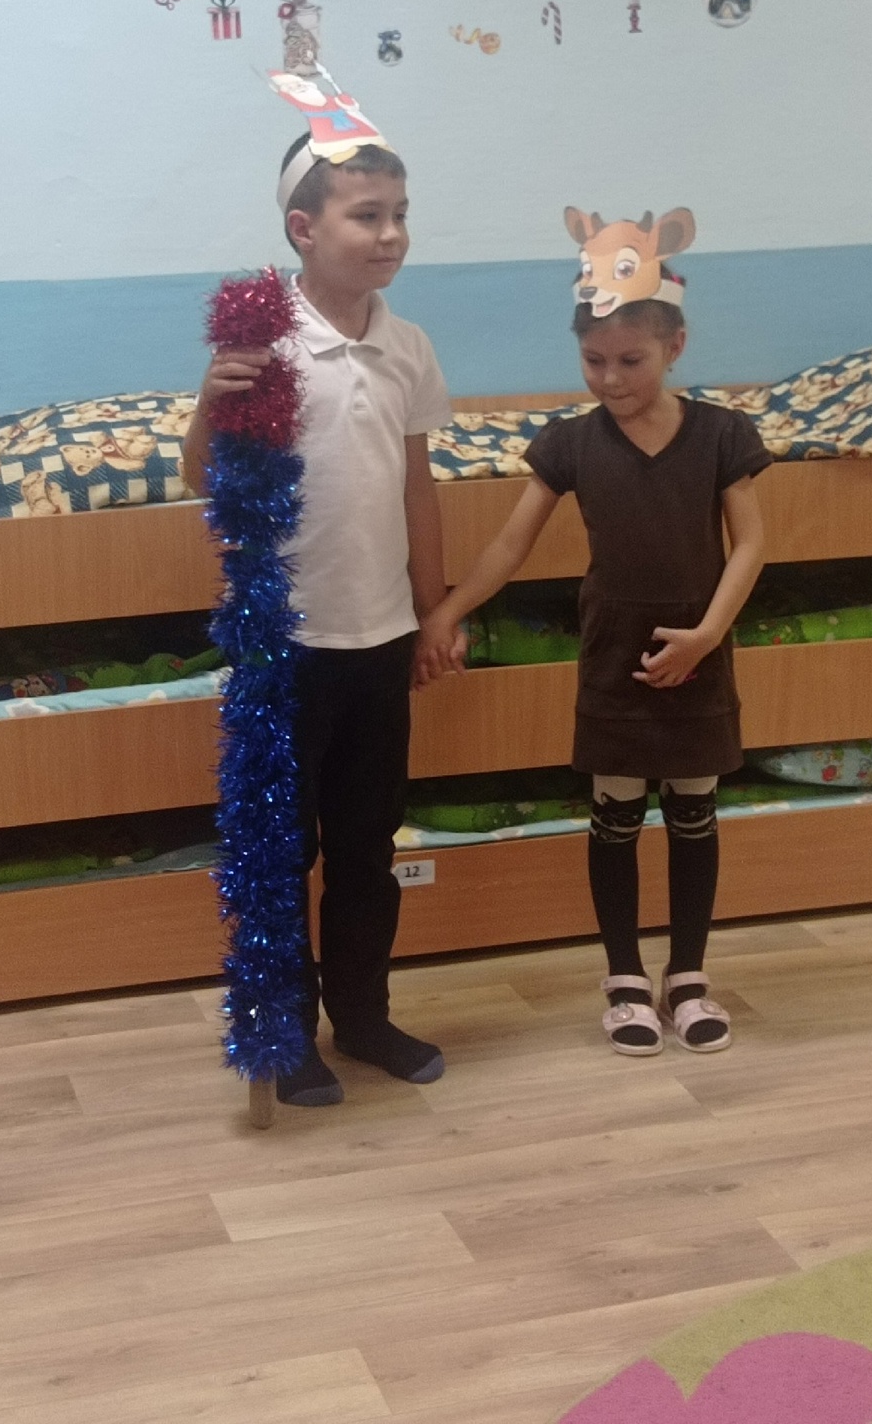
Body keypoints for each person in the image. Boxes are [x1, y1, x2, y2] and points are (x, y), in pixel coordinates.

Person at [416, 237, 768, 1058]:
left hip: (696, 651)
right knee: (615, 813)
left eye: (630, 361)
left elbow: (749, 544)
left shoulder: (721, 435)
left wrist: (706, 636)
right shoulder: (570, 445)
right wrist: (446, 612)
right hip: (615, 654)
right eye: (593, 361)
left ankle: (687, 977)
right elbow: (509, 546)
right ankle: (623, 979)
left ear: (674, 347)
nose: (610, 379)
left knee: (692, 811)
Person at [181, 121, 451, 1106]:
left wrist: (433, 611)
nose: (390, 234)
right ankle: (287, 1033)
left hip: (379, 637)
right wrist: (208, 403)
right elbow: (202, 479)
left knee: (367, 850)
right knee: (284, 850)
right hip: (289, 646)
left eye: (399, 215)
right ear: (304, 228)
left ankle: (364, 1016)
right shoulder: (266, 345)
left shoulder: (406, 347)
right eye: (366, 216)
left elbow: (417, 489)